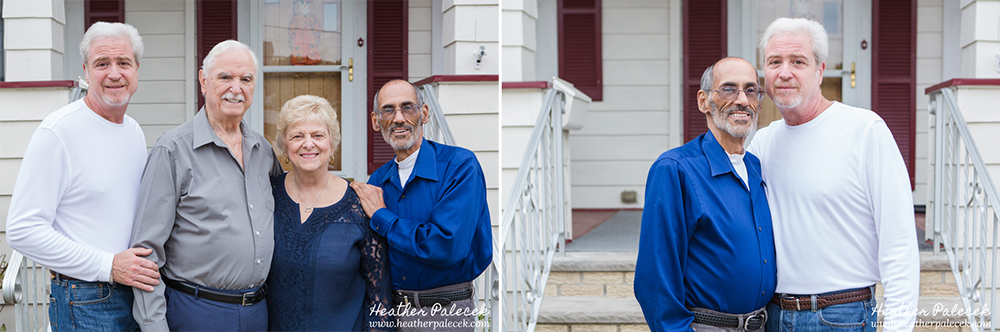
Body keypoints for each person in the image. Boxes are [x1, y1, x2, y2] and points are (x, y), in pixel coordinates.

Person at [747, 17, 919, 331]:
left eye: (798, 61)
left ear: (820, 71)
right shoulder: (762, 143)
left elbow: (899, 245)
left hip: (842, 316)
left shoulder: (865, 131)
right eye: (774, 62)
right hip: (773, 316)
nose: (784, 72)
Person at [5, 22, 159, 332]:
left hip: (134, 294)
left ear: (136, 70)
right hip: (86, 300)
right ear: (86, 72)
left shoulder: (132, 130)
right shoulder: (58, 132)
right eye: (102, 64)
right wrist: (108, 266)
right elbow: (22, 230)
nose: (114, 73)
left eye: (123, 63)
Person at [130, 40, 281, 331]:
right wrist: (153, 325)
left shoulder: (262, 150)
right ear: (203, 81)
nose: (236, 88)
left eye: (246, 79)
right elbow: (146, 252)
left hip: (258, 313)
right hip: (196, 312)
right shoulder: (172, 151)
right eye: (225, 77)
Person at [634, 57, 775, 331]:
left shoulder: (756, 168)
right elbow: (655, 278)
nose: (742, 100)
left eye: (751, 90)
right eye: (729, 89)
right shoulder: (675, 169)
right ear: (703, 101)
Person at [351, 79, 492, 331]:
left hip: (446, 313)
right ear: (376, 121)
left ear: (424, 113)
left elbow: (446, 245)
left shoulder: (459, 166)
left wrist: (383, 216)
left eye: (407, 108)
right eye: (388, 110)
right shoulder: (378, 181)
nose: (398, 118)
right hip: (390, 313)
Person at [265, 94, 395, 331]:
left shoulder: (358, 205)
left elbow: (379, 293)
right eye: (297, 136)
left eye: (317, 135)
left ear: (332, 145)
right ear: (284, 146)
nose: (308, 144)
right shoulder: (267, 196)